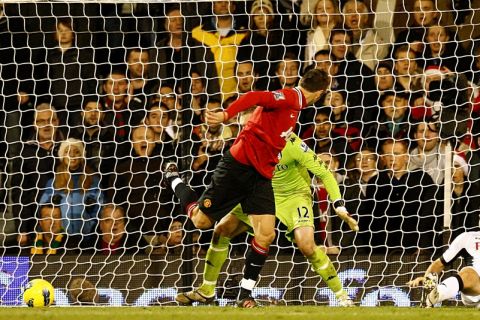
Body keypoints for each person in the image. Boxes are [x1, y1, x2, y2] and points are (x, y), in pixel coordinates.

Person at [164, 69, 330, 307]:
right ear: (321, 93)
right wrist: (225, 115)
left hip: (261, 175)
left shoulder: (297, 105)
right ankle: (173, 178)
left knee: (266, 234)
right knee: (201, 222)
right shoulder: (291, 97)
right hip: (238, 166)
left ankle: (244, 294)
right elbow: (254, 96)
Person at [175, 133, 358, 306]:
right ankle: (207, 290)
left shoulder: (291, 143)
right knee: (222, 230)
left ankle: (342, 297)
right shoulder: (247, 142)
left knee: (307, 245)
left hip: (293, 196)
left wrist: (339, 204)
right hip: (260, 192)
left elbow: (325, 173)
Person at [407, 230, 480, 308]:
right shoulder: (467, 238)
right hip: (476, 289)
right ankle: (434, 295)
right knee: (467, 274)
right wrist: (428, 281)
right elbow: (438, 264)